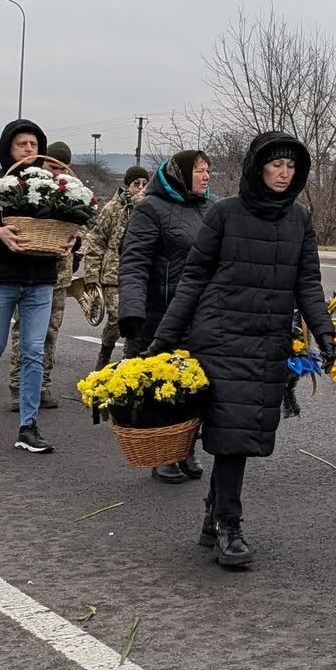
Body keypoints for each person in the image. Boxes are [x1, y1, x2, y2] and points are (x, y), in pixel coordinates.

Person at [151, 133, 335, 571]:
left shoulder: (300, 219)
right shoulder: (224, 213)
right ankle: (229, 526)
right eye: (276, 165)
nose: (284, 173)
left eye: (291, 166)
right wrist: (163, 340)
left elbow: (307, 282)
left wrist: (326, 335)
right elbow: (193, 278)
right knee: (232, 433)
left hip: (268, 338)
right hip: (222, 335)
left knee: (244, 432)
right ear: (258, 168)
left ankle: (213, 518)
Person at [0, 118, 74, 454]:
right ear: (8, 147)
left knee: (33, 352)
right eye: (22, 144)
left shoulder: (56, 185)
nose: (28, 149)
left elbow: (70, 225)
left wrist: (70, 242)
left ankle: (28, 425)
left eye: (34, 144)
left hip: (40, 280)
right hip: (0, 278)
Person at [119, 149, 213, 482]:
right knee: (164, 385)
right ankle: (163, 453)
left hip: (202, 313)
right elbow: (134, 263)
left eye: (207, 170)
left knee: (195, 384)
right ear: (179, 174)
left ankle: (186, 449)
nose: (206, 176)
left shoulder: (211, 209)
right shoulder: (151, 209)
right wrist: (131, 309)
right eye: (199, 170)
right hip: (162, 312)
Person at [8, 139, 79, 412]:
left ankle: (42, 384)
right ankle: (18, 386)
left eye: (62, 167)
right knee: (25, 332)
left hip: (58, 277)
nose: (56, 172)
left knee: (50, 333)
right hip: (29, 273)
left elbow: (80, 231)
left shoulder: (72, 193)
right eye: (51, 165)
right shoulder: (28, 188)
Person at [81, 165, 150, 371]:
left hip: (139, 274)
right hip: (113, 274)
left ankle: (129, 357)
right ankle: (106, 350)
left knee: (136, 317)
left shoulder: (149, 208)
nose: (140, 188)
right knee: (117, 317)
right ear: (127, 186)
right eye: (136, 184)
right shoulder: (113, 208)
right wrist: (91, 275)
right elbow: (96, 241)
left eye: (144, 184)